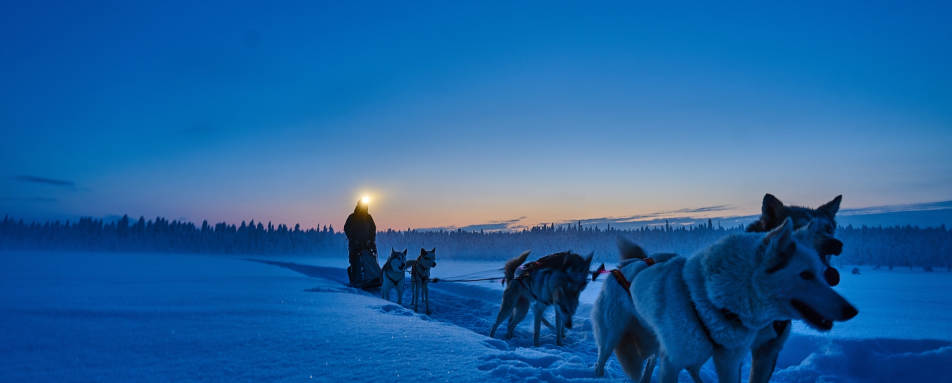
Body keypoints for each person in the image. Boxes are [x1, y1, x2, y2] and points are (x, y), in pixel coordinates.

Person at [344, 199, 379, 287]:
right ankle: (356, 280)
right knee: (356, 261)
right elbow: (347, 228)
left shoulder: (368, 217)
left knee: (370, 260)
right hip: (355, 244)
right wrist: (353, 239)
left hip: (367, 244)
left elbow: (373, 230)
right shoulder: (352, 217)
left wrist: (371, 240)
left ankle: (374, 277)